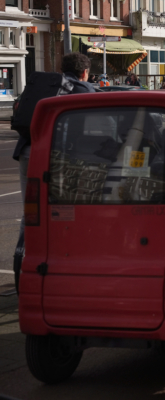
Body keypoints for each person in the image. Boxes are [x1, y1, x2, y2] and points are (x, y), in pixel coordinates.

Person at [13, 53, 95, 293]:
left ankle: (23, 267)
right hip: (56, 156)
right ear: (84, 72)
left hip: (27, 151)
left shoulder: (46, 86)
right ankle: (61, 268)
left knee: (31, 213)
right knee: (65, 213)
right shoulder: (84, 89)